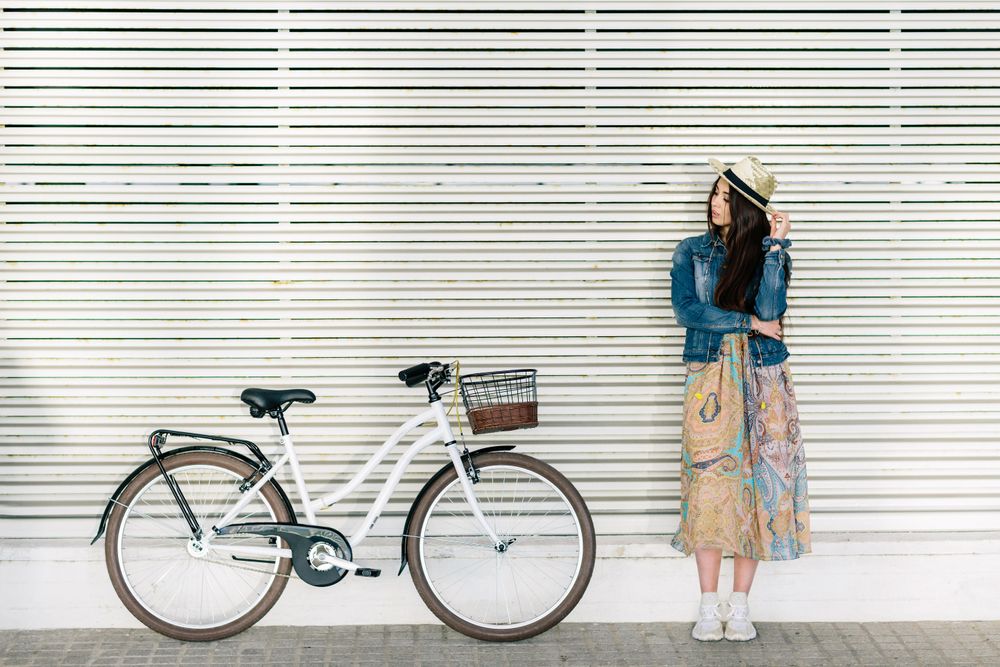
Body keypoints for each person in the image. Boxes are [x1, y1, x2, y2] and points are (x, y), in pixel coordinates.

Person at [669, 156, 812, 642]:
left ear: (748, 209)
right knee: (710, 488)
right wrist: (746, 322)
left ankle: (741, 605)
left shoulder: (772, 254)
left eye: (726, 198)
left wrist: (774, 247)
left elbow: (773, 308)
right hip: (711, 375)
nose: (714, 203)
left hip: (765, 381)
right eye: (713, 194)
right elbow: (688, 311)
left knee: (757, 489)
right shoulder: (691, 251)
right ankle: (708, 605)